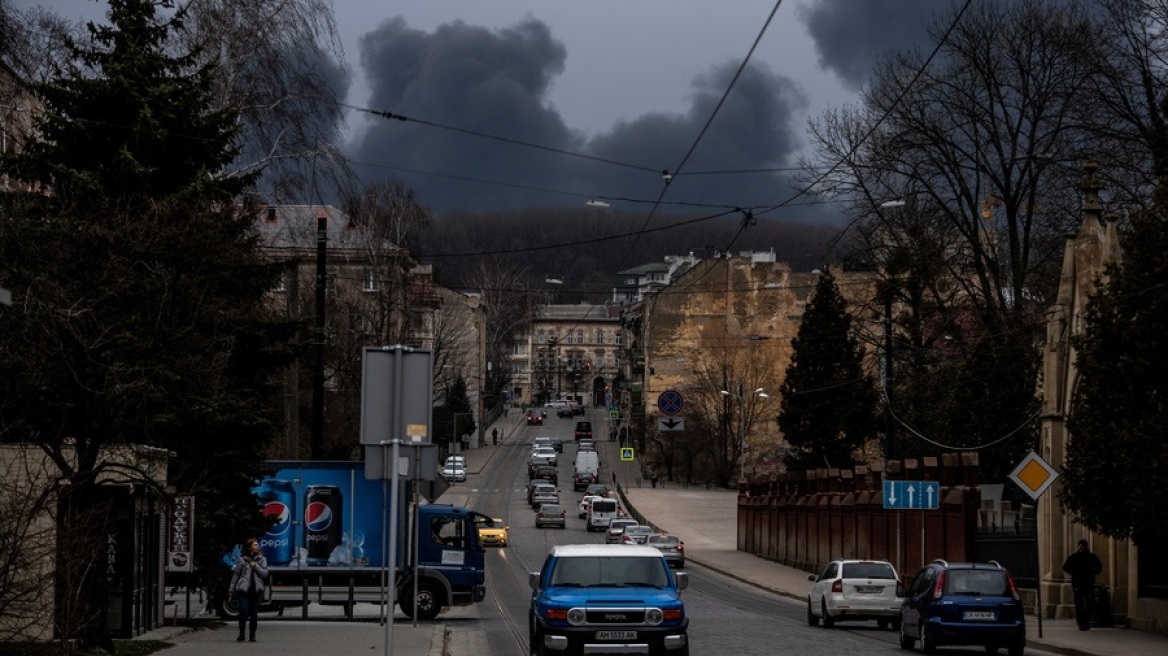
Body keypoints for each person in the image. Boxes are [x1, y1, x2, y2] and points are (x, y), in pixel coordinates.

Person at [228, 537, 269, 642]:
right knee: (243, 611)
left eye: (257, 545)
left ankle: (252, 634)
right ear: (249, 547)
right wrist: (231, 589)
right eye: (255, 545)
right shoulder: (242, 559)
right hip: (243, 589)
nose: (257, 546)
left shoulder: (262, 559)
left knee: (253, 612)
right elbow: (236, 575)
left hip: (256, 590)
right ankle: (241, 633)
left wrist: (255, 566)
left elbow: (265, 574)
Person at [1062, 538, 1103, 631]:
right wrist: (1074, 572)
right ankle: (1081, 623)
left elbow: (1099, 567)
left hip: (1088, 583)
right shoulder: (1073, 557)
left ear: (1086, 547)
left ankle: (1085, 619)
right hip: (1077, 584)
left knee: (1090, 602)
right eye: (1079, 546)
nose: (1080, 547)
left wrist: (1092, 571)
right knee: (1079, 604)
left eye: (1082, 546)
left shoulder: (1092, 557)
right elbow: (1065, 567)